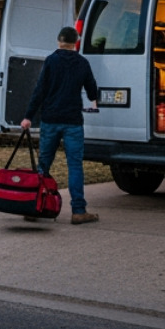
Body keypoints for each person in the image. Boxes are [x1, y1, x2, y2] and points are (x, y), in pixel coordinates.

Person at [20, 25, 100, 224]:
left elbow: (39, 90)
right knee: (75, 166)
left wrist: (28, 116)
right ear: (75, 43)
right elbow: (92, 91)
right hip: (73, 121)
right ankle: (79, 211)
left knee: (44, 164)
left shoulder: (51, 61)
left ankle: (35, 207)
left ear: (59, 41)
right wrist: (92, 97)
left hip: (50, 119)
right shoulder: (82, 62)